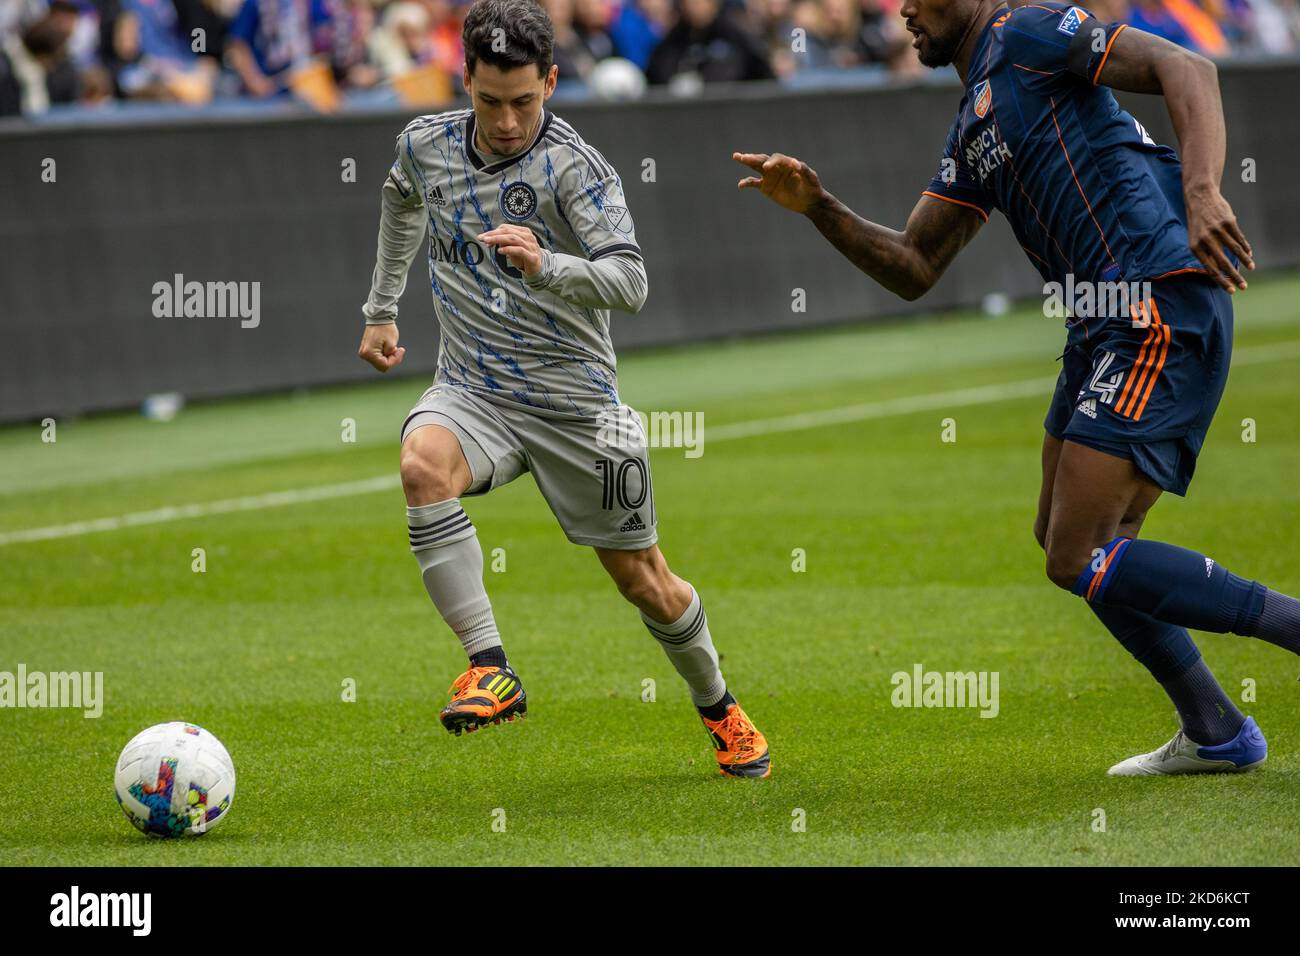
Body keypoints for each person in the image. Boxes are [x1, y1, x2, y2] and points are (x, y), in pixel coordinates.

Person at [735, 0, 1300, 775]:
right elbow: (914, 266)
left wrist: (1203, 191)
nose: (902, 10)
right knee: (1065, 543)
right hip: (1099, 326)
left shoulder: (1030, 30)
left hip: (1152, 303)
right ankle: (1217, 728)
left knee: (1081, 554)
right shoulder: (973, 124)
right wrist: (819, 208)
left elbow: (1187, 67)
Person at [357, 0, 771, 778]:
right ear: (465, 81)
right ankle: (489, 666)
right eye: (489, 101)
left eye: (524, 101)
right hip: (473, 389)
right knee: (421, 466)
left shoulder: (577, 169)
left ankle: (719, 706)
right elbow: (398, 204)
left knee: (643, 580)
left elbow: (631, 282)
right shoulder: (424, 145)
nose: (508, 121)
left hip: (579, 404)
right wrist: (381, 309)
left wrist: (547, 265)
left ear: (550, 81)